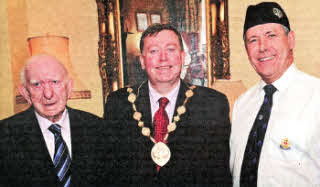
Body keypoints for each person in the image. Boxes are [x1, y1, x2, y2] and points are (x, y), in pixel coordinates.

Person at [104, 23, 232, 186]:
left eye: (170, 50)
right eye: (154, 51)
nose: (163, 58)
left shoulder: (212, 104)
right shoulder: (118, 104)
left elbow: (220, 176)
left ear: (183, 56)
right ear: (143, 61)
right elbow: (109, 174)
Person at [230, 2, 320, 187]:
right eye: (253, 40)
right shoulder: (242, 104)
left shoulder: (316, 97)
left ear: (291, 40)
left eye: (271, 35)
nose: (262, 47)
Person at [0, 55, 114, 186]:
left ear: (69, 87)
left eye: (55, 82)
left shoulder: (99, 130)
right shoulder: (5, 135)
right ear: (25, 93)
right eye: (37, 84)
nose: (48, 94)